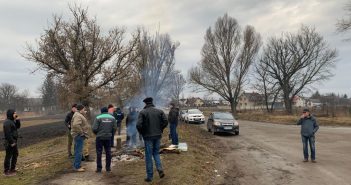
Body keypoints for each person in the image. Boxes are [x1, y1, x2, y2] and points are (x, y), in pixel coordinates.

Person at [137, 97, 168, 182]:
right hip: (158, 136)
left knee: (148, 156)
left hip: (148, 137)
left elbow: (138, 125)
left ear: (145, 103)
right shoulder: (159, 111)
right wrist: (160, 129)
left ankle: (149, 176)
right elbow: (166, 121)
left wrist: (142, 133)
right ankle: (159, 169)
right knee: (156, 153)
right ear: (152, 102)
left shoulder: (143, 112)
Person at [92, 107, 117, 173]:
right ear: (107, 111)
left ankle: (99, 168)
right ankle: (108, 168)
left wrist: (97, 134)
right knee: (108, 152)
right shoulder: (112, 118)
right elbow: (114, 128)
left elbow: (94, 128)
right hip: (108, 138)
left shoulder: (98, 117)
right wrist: (111, 134)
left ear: (101, 111)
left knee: (99, 152)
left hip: (99, 137)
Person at [71, 104, 90, 172]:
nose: (84, 110)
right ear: (81, 109)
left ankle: (77, 165)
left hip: (77, 135)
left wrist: (83, 114)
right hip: (78, 135)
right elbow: (76, 124)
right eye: (84, 109)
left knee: (77, 151)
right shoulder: (78, 115)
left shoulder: (77, 114)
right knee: (79, 151)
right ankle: (77, 167)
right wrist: (81, 133)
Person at [3, 109, 21, 176]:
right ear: (11, 114)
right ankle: (6, 171)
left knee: (15, 154)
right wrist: (12, 142)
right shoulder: (7, 122)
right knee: (8, 156)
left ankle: (12, 169)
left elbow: (18, 127)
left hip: (14, 141)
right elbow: (7, 134)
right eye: (14, 113)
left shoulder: (11, 121)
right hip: (9, 142)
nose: (16, 114)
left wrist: (17, 120)